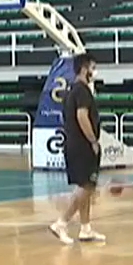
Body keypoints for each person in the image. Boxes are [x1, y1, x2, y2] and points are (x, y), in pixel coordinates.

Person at [49, 52, 105, 244]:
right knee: (85, 187)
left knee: (87, 186)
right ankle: (61, 222)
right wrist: (93, 140)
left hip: (74, 144)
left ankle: (85, 228)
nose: (94, 72)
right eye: (93, 68)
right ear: (84, 68)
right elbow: (82, 116)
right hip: (82, 145)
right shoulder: (81, 91)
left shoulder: (73, 89)